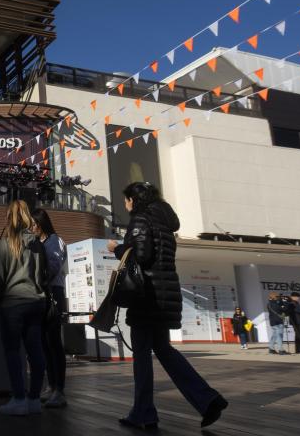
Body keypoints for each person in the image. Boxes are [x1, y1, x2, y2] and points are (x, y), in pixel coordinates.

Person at [107, 182, 227, 430]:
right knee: (163, 349)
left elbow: (140, 256)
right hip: (165, 296)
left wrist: (117, 248)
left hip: (146, 297)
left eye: (126, 200)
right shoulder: (164, 222)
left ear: (133, 199)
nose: (126, 205)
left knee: (142, 356)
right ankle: (207, 399)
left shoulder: (140, 219)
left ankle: (143, 413)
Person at [0, 200, 47, 416]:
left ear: (9, 217)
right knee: (35, 350)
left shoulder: (4, 244)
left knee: (13, 351)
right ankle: (34, 399)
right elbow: (43, 274)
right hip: (36, 301)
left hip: (12, 303)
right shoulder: (37, 244)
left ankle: (19, 398)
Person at [32, 208, 68, 409]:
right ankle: (52, 384)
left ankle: (59, 389)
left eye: (34, 224)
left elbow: (53, 267)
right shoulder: (41, 242)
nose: (31, 227)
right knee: (45, 342)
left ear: (41, 223)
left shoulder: (55, 241)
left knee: (54, 342)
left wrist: (38, 279)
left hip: (53, 292)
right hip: (43, 292)